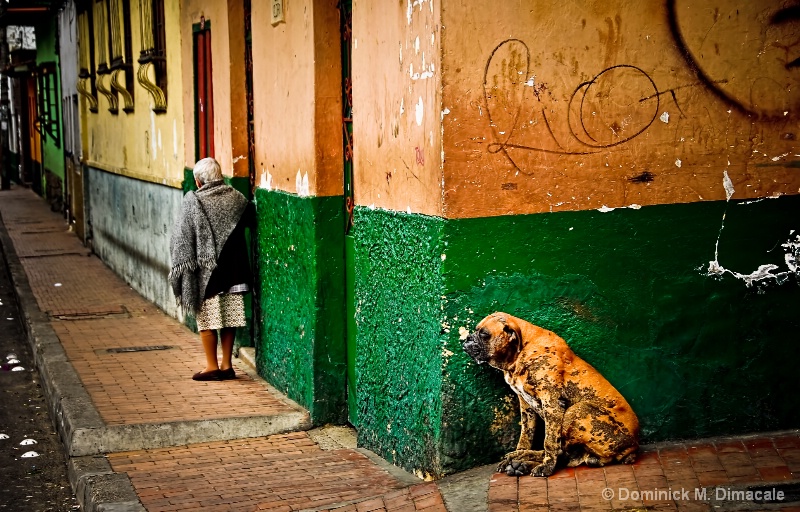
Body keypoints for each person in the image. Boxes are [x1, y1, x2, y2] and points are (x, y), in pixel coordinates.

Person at [169, 157, 254, 381]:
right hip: (235, 269)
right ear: (220, 176)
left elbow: (182, 240)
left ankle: (211, 366)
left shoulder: (193, 201)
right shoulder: (236, 197)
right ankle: (227, 365)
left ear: (198, 181)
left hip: (208, 272)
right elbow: (250, 219)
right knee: (229, 318)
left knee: (206, 320)